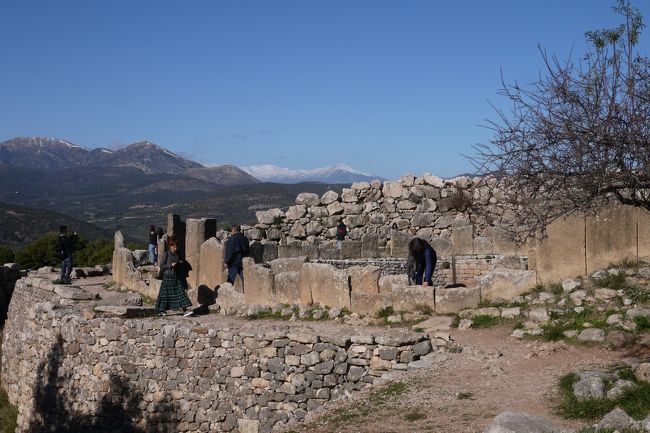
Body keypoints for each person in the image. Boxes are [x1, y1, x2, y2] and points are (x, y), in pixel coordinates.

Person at [156, 235, 194, 317]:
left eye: (176, 246)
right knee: (165, 295)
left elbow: (182, 261)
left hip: (176, 276)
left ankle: (185, 311)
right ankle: (161, 311)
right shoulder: (166, 254)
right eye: (173, 247)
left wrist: (180, 263)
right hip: (167, 277)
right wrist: (170, 265)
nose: (175, 248)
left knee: (181, 293)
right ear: (170, 246)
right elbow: (161, 265)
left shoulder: (178, 254)